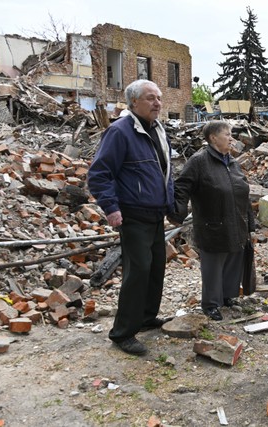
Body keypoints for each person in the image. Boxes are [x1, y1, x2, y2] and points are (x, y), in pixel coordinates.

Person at [87, 79, 174, 355]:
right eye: (150, 98)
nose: (157, 103)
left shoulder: (157, 129)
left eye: (159, 98)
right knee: (138, 272)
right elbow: (99, 174)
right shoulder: (120, 132)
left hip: (155, 214)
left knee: (155, 268)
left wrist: (171, 204)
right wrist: (111, 208)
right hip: (133, 215)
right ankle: (123, 333)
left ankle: (146, 317)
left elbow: (166, 171)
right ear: (134, 102)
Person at [169, 121, 255, 321]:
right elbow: (182, 187)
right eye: (227, 134)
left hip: (237, 221)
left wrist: (250, 224)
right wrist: (176, 213)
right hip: (212, 222)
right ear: (213, 138)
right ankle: (211, 304)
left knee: (234, 258)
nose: (231, 138)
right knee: (213, 266)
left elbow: (244, 194)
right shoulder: (199, 161)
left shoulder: (231, 161)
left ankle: (226, 296)